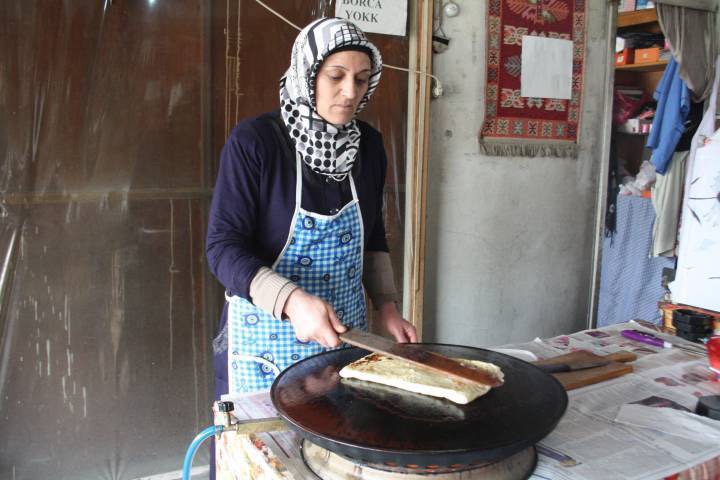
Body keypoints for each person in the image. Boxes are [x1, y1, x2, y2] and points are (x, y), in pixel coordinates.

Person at [206, 17, 417, 400]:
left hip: (345, 338)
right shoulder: (256, 143)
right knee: (262, 456)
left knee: (335, 446)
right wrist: (291, 301)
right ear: (308, 73)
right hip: (266, 343)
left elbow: (371, 235)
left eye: (362, 78)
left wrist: (387, 308)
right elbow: (222, 248)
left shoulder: (367, 146)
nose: (350, 92)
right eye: (335, 76)